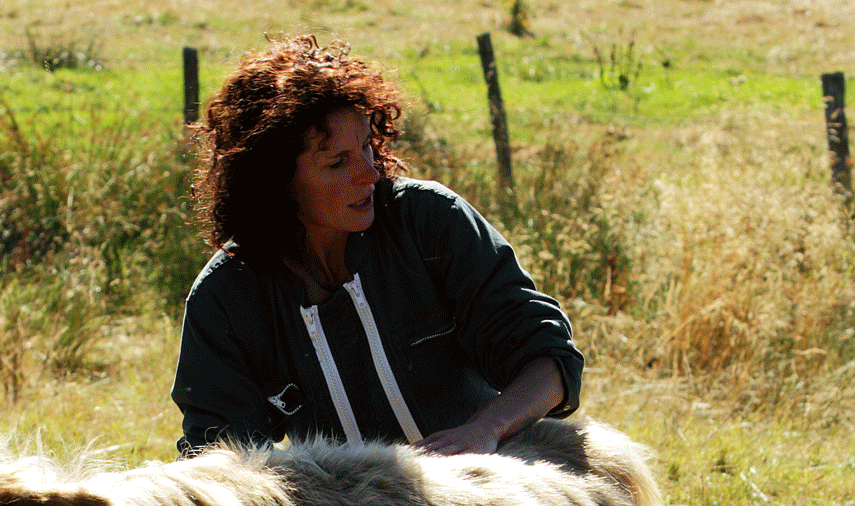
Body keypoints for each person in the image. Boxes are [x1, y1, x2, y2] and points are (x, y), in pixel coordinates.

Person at [172, 36, 585, 458]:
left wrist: (485, 429)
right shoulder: (227, 298)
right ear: (274, 183)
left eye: (367, 146)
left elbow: (550, 360)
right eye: (337, 162)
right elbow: (219, 462)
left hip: (480, 495)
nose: (370, 173)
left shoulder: (429, 222)